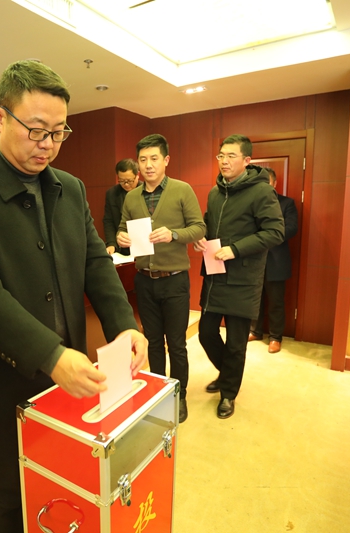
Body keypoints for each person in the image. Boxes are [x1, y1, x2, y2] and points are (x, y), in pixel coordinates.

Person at [0, 60, 147, 533]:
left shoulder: (70, 188)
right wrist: (49, 354)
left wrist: (124, 325)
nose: (47, 144)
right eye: (36, 130)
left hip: (69, 373)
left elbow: (94, 262)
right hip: (5, 376)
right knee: (10, 489)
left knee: (62, 478)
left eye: (59, 132)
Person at [194, 134, 284, 419]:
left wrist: (235, 249)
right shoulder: (215, 192)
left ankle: (228, 393)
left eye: (231, 156)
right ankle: (227, 374)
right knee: (206, 333)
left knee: (235, 343)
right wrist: (201, 238)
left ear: (247, 160)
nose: (224, 161)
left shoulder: (261, 192)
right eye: (221, 155)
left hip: (244, 278)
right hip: (215, 274)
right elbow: (209, 224)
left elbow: (275, 232)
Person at [116, 133, 205, 423]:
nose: (148, 165)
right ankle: (157, 394)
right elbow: (122, 228)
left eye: (154, 158)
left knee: (176, 344)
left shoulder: (182, 190)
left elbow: (199, 228)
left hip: (175, 280)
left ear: (166, 160)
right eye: (143, 160)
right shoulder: (132, 196)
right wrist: (121, 237)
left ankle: (179, 395)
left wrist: (174, 234)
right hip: (144, 279)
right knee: (152, 342)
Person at [249, 167, 298, 353]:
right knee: (255, 299)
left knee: (276, 302)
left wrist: (267, 236)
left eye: (266, 182)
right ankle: (255, 331)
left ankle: (276, 337)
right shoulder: (251, 203)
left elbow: (291, 228)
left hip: (276, 261)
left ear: (274, 183)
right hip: (253, 259)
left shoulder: (287, 203)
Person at [103, 158, 139, 255]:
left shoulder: (146, 191)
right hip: (121, 245)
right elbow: (108, 220)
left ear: (137, 175)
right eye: (122, 181)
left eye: (129, 181)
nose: (126, 185)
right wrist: (111, 243)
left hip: (142, 244)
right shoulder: (112, 193)